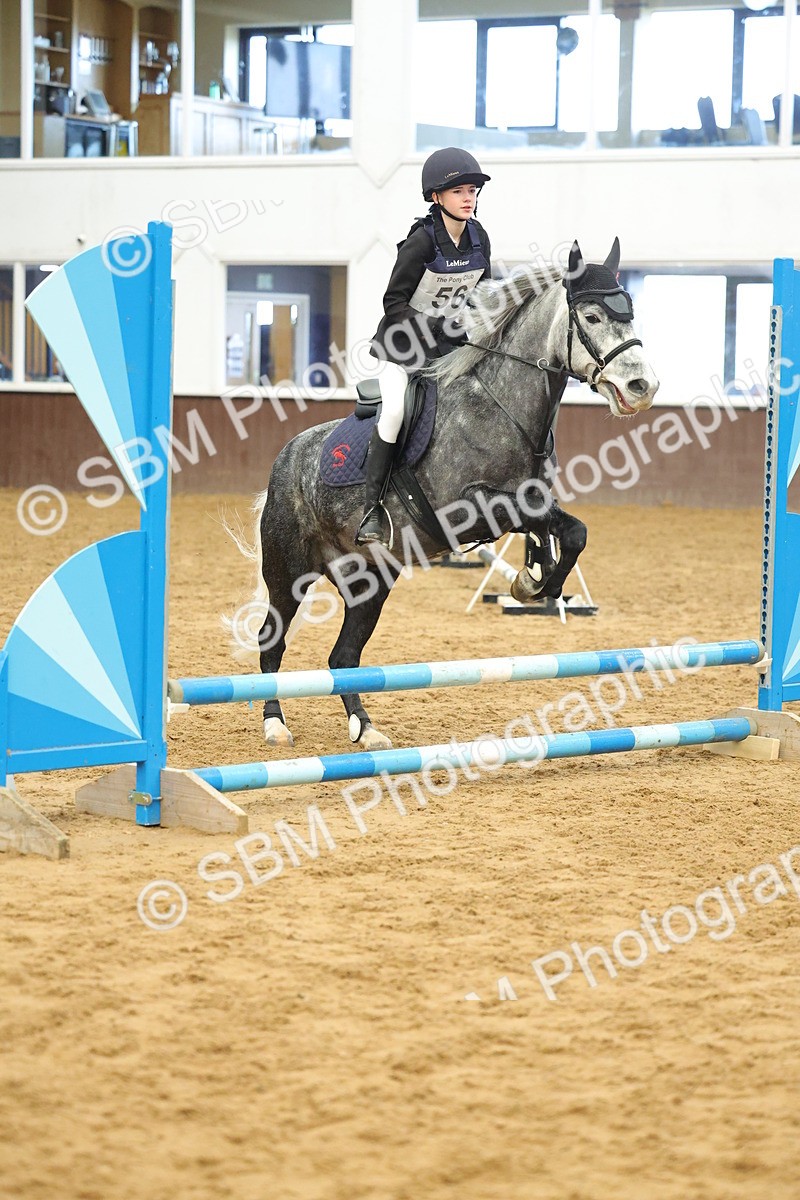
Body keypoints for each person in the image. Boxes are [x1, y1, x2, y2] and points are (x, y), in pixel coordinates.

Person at [355, 147, 493, 547]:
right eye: (458, 191)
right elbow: (393, 302)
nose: (468, 198)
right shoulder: (421, 241)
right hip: (403, 349)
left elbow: (483, 295)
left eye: (472, 191)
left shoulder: (479, 238)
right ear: (436, 196)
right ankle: (371, 510)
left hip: (450, 349)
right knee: (394, 411)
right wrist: (437, 325)